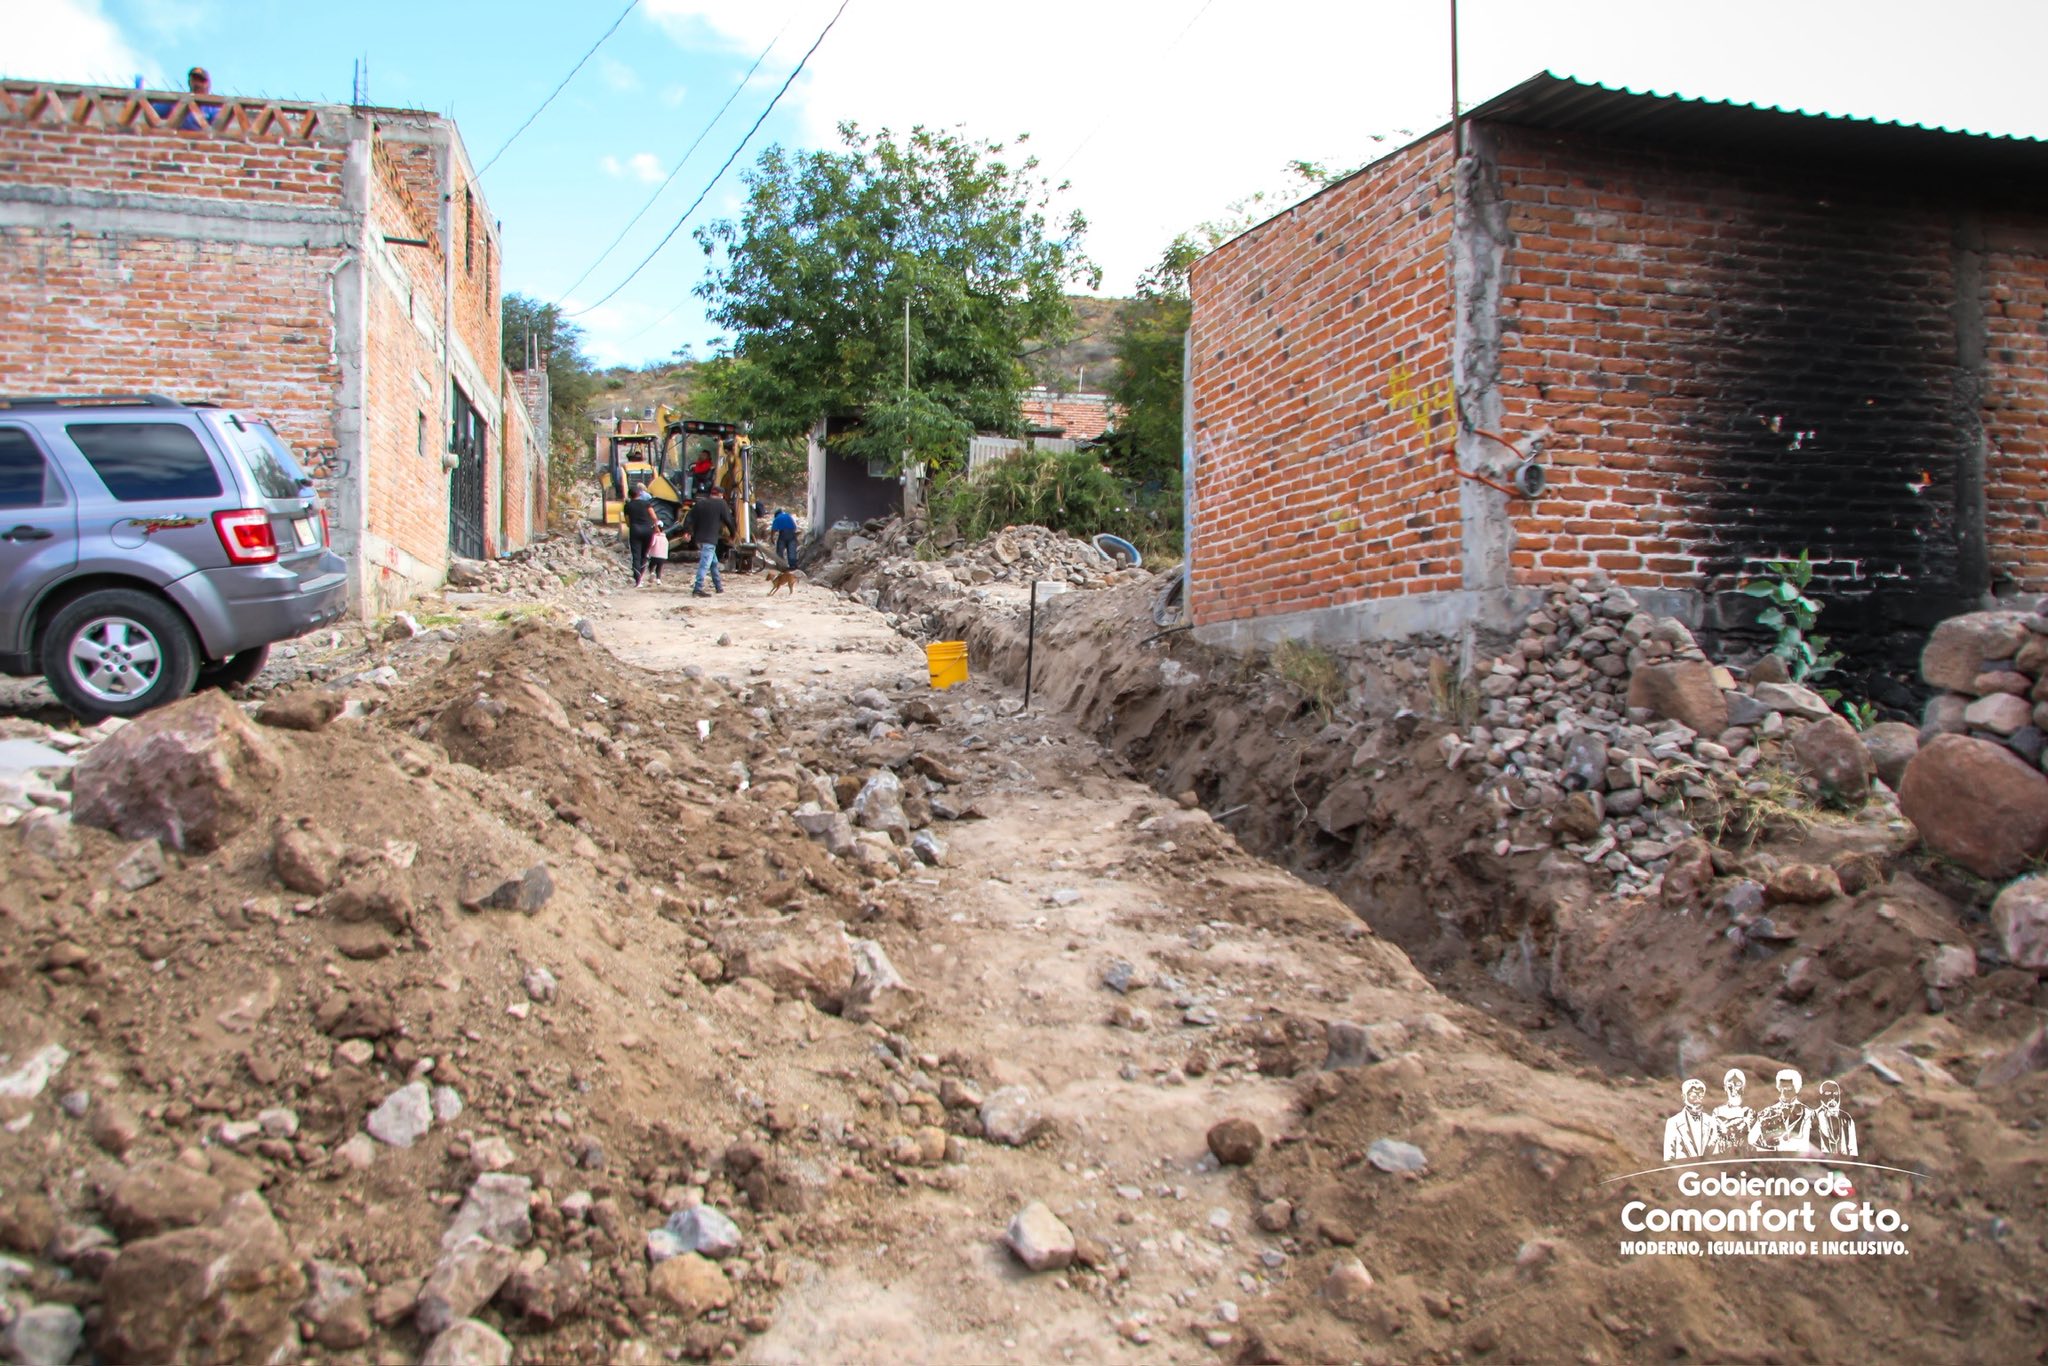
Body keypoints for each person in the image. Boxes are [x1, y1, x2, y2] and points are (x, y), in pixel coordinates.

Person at [685, 485, 736, 597]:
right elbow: (729, 520)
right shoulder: (721, 504)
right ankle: (697, 589)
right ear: (720, 495)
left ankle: (719, 587)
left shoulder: (700, 503)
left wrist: (688, 532)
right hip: (710, 539)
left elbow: (689, 517)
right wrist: (733, 534)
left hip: (699, 539)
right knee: (704, 565)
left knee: (713, 563)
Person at [1749, 1067, 1815, 1152]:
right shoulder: (1766, 1113)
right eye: (1782, 1088)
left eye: (1789, 1089)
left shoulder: (1808, 1112)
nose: (1785, 1092)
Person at [1662, 1078, 1716, 1160]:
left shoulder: (1711, 1121)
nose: (1697, 1100)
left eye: (1700, 1096)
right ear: (1684, 1097)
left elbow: (1715, 1150)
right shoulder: (1673, 1122)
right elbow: (1669, 1153)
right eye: (1693, 1096)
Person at [1709, 1068, 1755, 1154]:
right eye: (1730, 1084)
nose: (1733, 1088)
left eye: (1738, 1084)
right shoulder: (1717, 1111)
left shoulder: (1748, 1111)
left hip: (1742, 1153)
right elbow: (1712, 1139)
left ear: (1743, 1087)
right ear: (1725, 1088)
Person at [623, 482, 657, 586]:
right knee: (644, 554)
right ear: (639, 494)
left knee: (636, 555)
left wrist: (632, 525)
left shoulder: (627, 506)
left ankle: (638, 581)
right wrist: (656, 527)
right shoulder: (646, 504)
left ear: (630, 495)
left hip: (635, 530)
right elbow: (654, 517)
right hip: (648, 531)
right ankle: (641, 576)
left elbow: (627, 521)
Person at [1813, 1080, 1857, 1156]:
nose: (1832, 1098)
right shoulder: (1813, 1116)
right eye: (1828, 1094)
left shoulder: (1846, 1117)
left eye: (1835, 1094)